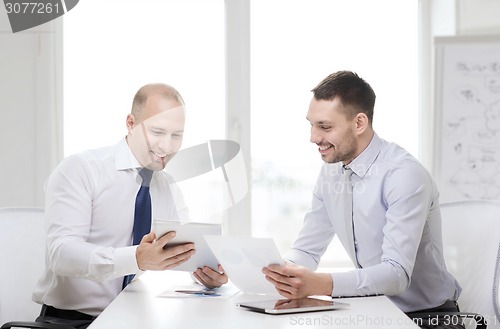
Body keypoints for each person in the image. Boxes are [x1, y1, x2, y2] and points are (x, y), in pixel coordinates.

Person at [262, 71, 463, 328]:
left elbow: (396, 275)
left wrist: (322, 283)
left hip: (427, 318)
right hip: (372, 311)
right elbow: (306, 250)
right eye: (311, 125)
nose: (313, 137)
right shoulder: (331, 171)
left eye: (324, 127)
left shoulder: (404, 175)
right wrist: (280, 273)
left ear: (359, 123)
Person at [33, 83, 228, 328]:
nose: (166, 147)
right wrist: (136, 258)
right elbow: (62, 254)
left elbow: (189, 252)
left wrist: (208, 275)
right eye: (157, 132)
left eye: (176, 135)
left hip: (132, 320)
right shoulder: (81, 169)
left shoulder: (166, 186)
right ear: (131, 123)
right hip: (69, 322)